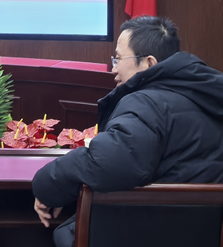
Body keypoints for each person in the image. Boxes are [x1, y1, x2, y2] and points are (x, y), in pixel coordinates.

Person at [32, 15, 223, 247]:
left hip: (148, 232)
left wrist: (47, 185)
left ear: (149, 63)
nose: (113, 68)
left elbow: (112, 162)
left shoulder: (146, 102)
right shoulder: (210, 98)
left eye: (119, 58)